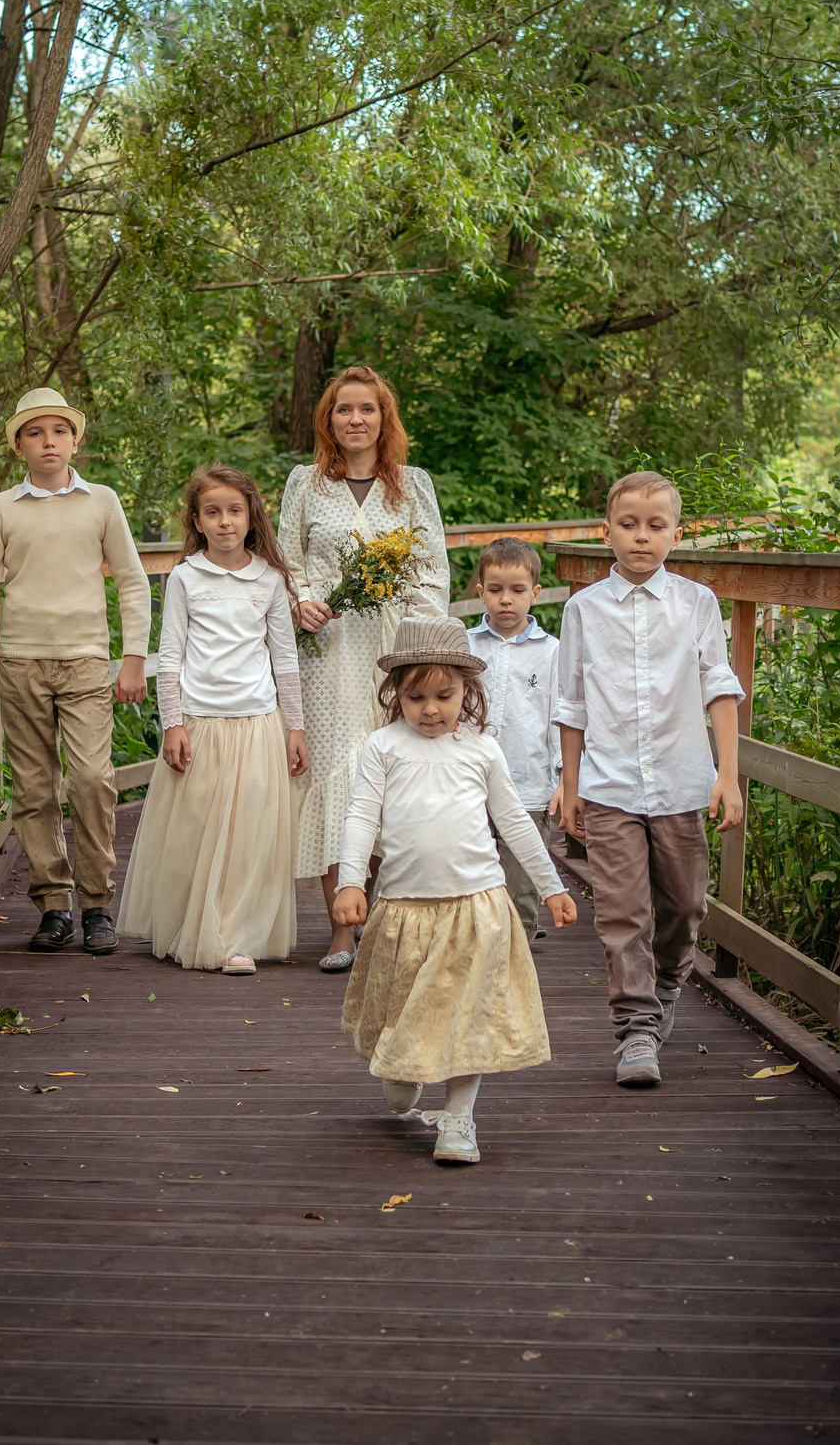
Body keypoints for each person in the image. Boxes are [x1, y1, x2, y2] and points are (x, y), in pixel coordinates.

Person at [335, 617, 579, 1165]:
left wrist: (551, 887)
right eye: (415, 696)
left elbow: (515, 822)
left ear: (467, 689)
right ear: (394, 692)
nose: (429, 709)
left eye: (444, 695)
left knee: (468, 1016)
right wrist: (352, 880)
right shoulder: (382, 747)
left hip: (477, 904)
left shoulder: (482, 750)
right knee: (406, 1005)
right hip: (403, 906)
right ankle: (401, 1066)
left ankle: (459, 1120)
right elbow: (361, 817)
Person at [554, 470, 745, 1089]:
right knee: (621, 912)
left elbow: (719, 688)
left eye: (655, 526)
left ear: (676, 535)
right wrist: (570, 782)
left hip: (681, 780)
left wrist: (727, 776)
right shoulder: (583, 608)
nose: (641, 537)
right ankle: (637, 1028)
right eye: (628, 525)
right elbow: (572, 703)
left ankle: (665, 983)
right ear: (606, 531)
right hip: (608, 785)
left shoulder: (698, 604)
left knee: (685, 904)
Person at [0, 386, 152, 956]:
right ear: (19, 445)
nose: (49, 442)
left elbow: (133, 580)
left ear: (75, 440)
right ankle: (53, 906)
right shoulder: (1, 509)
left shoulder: (102, 502)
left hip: (87, 659)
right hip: (20, 662)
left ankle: (96, 903)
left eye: (59, 431)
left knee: (91, 778)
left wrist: (133, 655)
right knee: (34, 786)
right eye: (36, 433)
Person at [277, 365, 448, 973]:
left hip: (391, 651)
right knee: (333, 781)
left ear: (384, 419)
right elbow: (286, 560)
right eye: (344, 409)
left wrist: (420, 656)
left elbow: (431, 572)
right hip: (325, 653)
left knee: (393, 778)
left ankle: (393, 925)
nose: (356, 420)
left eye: (367, 410)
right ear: (329, 419)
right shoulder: (305, 482)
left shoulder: (412, 485)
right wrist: (300, 602)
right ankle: (342, 931)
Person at [120, 467, 310, 972]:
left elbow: (284, 658)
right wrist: (173, 724)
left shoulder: (269, 580)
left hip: (257, 724)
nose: (225, 522)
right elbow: (171, 654)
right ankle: (194, 925)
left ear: (250, 519)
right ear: (197, 522)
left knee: (250, 835)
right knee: (197, 830)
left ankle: (237, 938)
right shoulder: (185, 576)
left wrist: (296, 727)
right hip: (201, 724)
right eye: (213, 512)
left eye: (234, 511)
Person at [464, 537, 570, 946]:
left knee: (522, 877)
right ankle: (472, 950)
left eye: (517, 590)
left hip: (527, 783)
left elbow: (559, 718)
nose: (505, 600)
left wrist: (564, 778)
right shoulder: (466, 647)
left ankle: (517, 954)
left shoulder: (552, 651)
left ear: (535, 594)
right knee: (472, 871)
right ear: (481, 593)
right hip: (470, 783)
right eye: (495, 590)